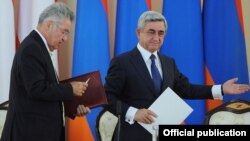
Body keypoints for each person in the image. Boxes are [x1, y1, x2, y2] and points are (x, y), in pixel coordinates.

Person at [104, 11, 250, 141]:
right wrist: (134, 113)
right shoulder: (122, 62)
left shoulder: (168, 62)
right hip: (132, 135)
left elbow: (186, 89)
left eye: (161, 33)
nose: (156, 37)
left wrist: (221, 89)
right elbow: (107, 97)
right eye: (151, 32)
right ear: (138, 32)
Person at [1, 2, 90, 141]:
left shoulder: (39, 47)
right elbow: (37, 89)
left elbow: (45, 97)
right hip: (28, 134)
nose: (65, 38)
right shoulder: (31, 49)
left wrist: (73, 108)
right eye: (64, 32)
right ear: (49, 25)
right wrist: (69, 89)